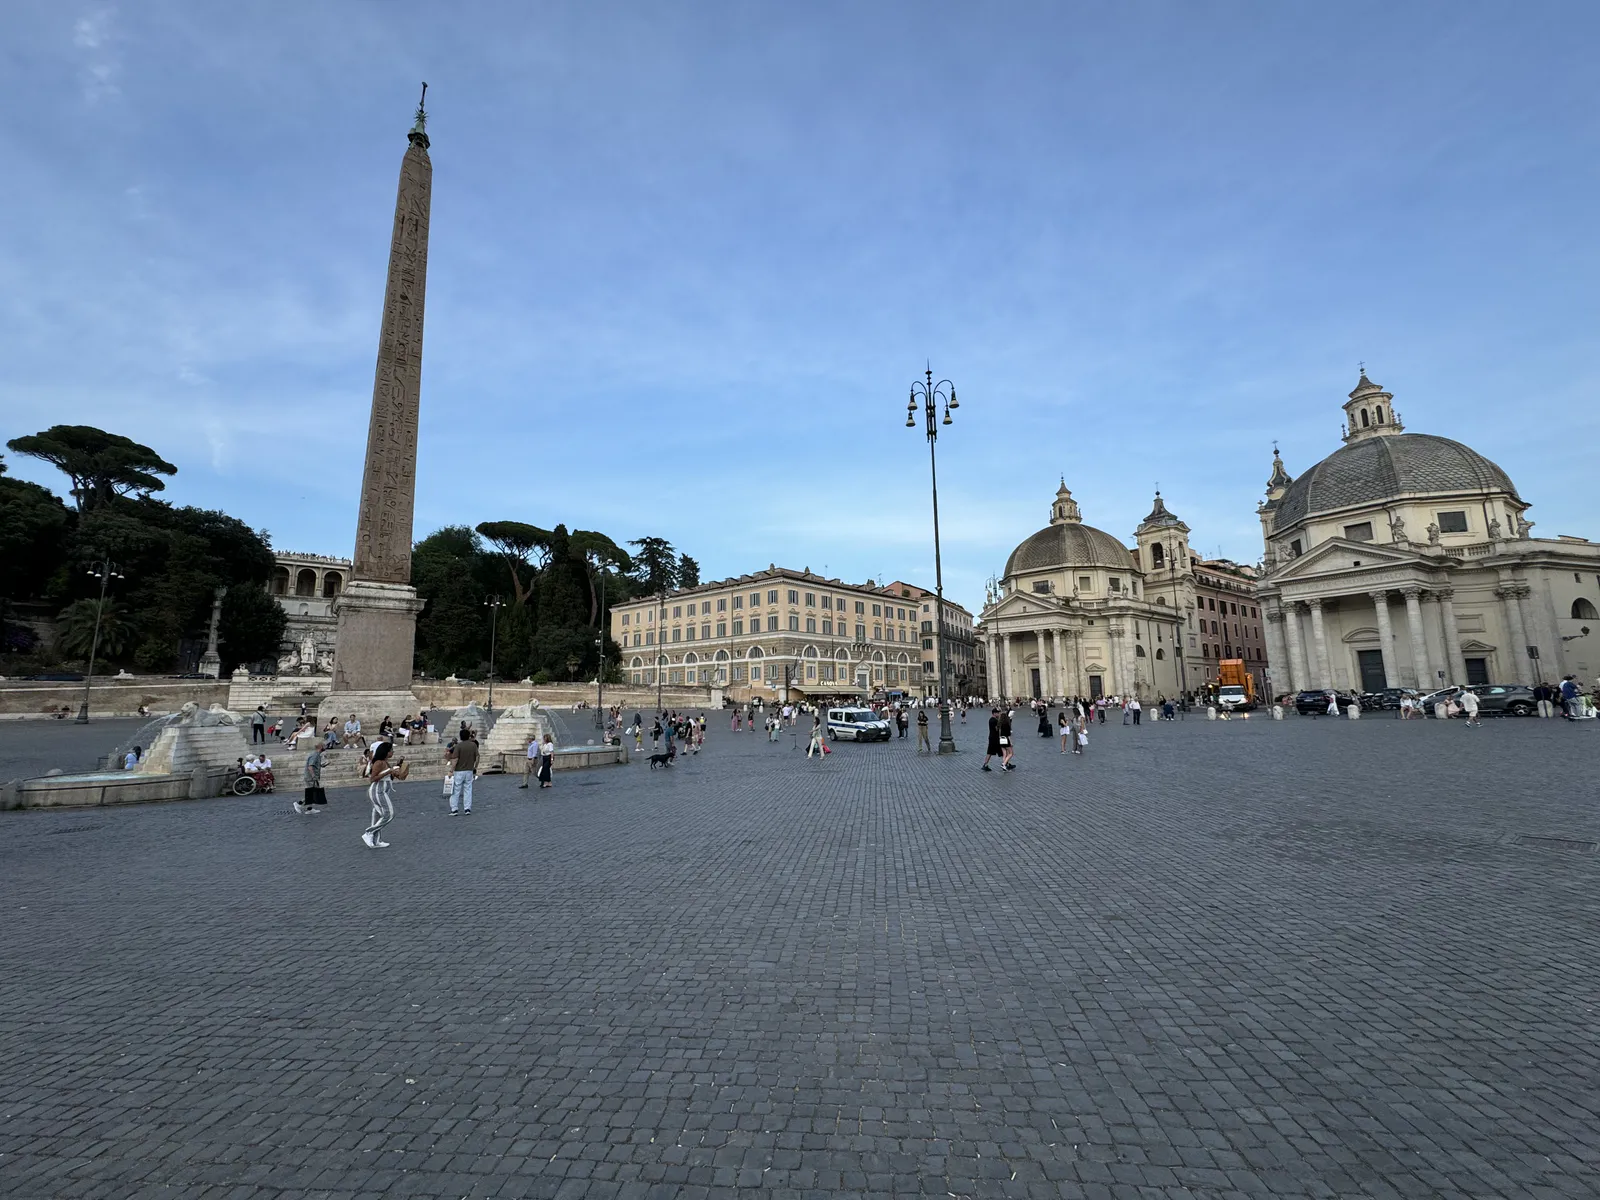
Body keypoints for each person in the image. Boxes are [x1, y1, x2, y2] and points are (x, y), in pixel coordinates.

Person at [362, 741, 397, 848]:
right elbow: (372, 779)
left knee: (378, 815)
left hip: (383, 790)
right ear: (386, 752)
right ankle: (369, 832)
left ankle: (375, 840)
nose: (393, 752)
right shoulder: (379, 763)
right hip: (378, 790)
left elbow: (390, 777)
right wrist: (388, 772)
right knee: (389, 813)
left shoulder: (385, 762)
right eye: (391, 750)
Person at [447, 725, 478, 814]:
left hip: (459, 771)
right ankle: (467, 808)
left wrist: (451, 770)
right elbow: (477, 757)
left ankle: (454, 809)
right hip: (469, 770)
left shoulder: (458, 746)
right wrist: (475, 767)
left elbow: (455, 759)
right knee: (468, 789)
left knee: (456, 790)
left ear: (460, 737)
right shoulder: (473, 745)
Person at [295, 745, 324, 814]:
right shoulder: (315, 755)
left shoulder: (317, 755)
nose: (326, 747)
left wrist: (322, 765)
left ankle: (309, 809)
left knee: (313, 793)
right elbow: (310, 766)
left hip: (311, 777)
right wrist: (313, 776)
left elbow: (314, 765)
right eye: (324, 746)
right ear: (320, 747)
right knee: (312, 792)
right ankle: (299, 803)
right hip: (310, 777)